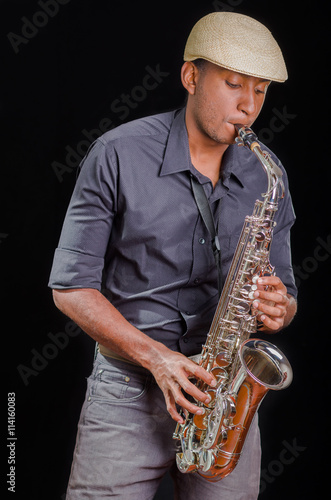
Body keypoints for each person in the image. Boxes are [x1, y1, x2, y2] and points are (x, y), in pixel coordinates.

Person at [49, 11, 297, 500]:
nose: (249, 106)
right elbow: (70, 289)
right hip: (127, 392)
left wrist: (280, 306)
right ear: (190, 76)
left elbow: (287, 295)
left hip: (225, 398)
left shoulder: (269, 176)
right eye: (233, 85)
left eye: (262, 91)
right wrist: (158, 359)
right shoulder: (116, 154)